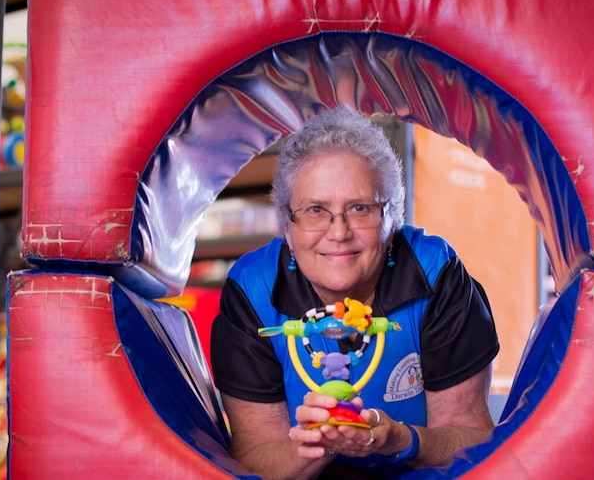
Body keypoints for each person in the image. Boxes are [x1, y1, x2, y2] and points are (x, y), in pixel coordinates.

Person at [210, 106, 499, 479]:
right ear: (287, 225)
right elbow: (255, 456)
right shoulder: (252, 290)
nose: (339, 231)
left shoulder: (436, 273)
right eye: (315, 210)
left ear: (392, 218)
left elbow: (472, 439)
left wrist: (402, 440)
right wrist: (319, 443)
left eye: (360, 208)